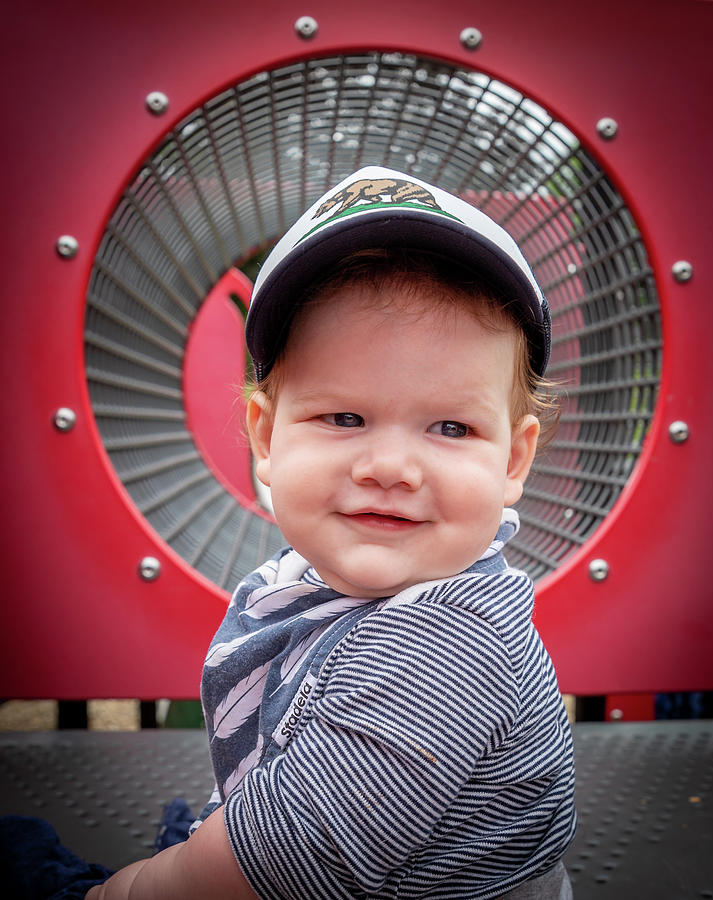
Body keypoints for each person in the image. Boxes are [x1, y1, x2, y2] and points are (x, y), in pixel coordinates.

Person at [88, 166, 576, 899]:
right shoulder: (312, 584)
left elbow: (288, 861)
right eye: (344, 418)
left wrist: (126, 890)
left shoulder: (448, 646)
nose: (390, 466)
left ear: (512, 459)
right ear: (265, 433)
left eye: (451, 426)